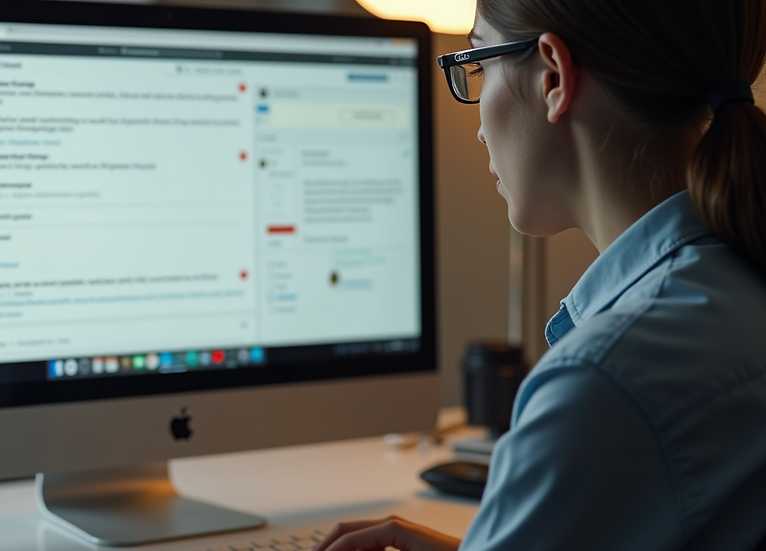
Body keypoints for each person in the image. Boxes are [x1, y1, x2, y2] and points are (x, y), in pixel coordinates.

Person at [315, 1, 766, 550]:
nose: (479, 129)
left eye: (478, 65)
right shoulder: (738, 281)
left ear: (553, 76)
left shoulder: (604, 380)